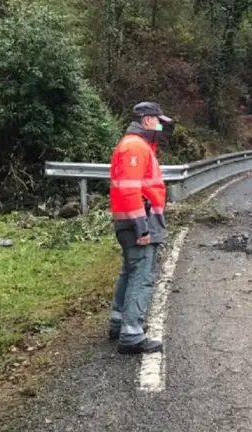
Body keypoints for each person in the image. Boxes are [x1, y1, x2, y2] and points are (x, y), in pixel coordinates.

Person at [108, 101, 173, 354]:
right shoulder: (135, 147)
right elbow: (129, 190)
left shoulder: (135, 145)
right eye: (158, 121)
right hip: (138, 223)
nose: (160, 126)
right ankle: (132, 335)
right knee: (142, 276)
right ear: (147, 120)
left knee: (129, 272)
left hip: (131, 222)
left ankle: (117, 323)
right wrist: (142, 228)